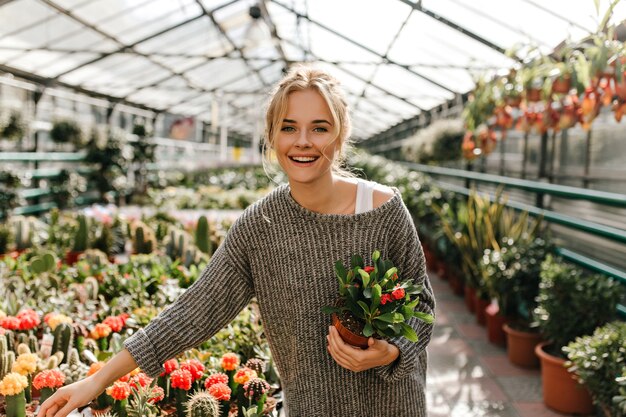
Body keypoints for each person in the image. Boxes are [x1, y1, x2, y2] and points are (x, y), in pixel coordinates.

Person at [37, 65, 435, 417]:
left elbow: (422, 305)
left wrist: (394, 349)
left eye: (319, 128)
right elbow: (193, 311)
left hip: (394, 403)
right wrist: (97, 381)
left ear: (341, 134)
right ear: (272, 136)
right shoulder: (259, 226)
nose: (303, 141)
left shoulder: (383, 209)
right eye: (289, 127)